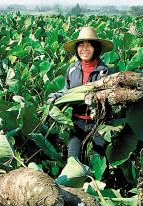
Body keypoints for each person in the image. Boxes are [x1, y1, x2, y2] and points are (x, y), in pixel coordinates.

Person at [47, 27, 113, 161]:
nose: (85, 49)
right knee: (73, 160)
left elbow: (111, 96)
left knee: (98, 161)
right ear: (77, 49)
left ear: (95, 48)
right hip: (77, 122)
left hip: (98, 123)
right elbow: (67, 90)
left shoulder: (104, 72)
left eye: (89, 45)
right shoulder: (72, 69)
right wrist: (55, 96)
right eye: (81, 45)